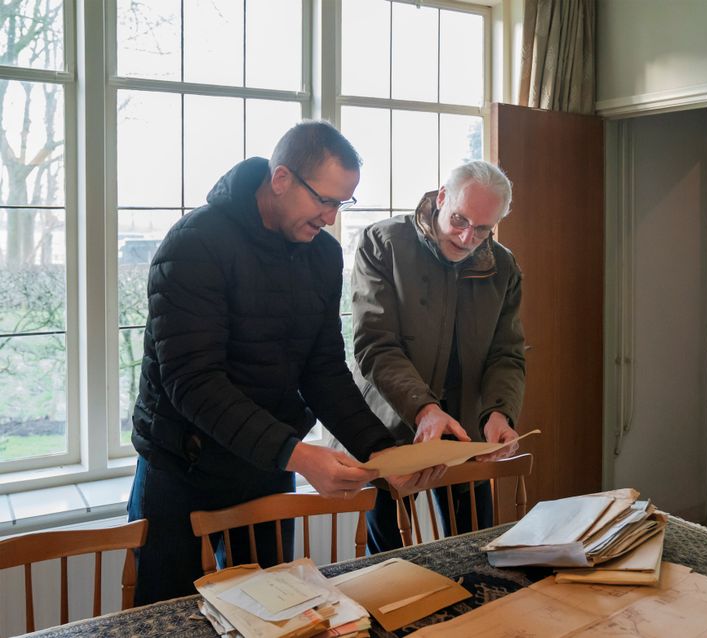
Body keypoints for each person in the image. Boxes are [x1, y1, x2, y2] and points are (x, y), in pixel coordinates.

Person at [127, 121, 442, 605]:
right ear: (280, 179)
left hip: (265, 464)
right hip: (180, 467)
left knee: (278, 615)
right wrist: (298, 454)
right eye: (324, 200)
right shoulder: (195, 244)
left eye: (342, 204)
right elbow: (193, 383)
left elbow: (322, 369)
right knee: (167, 619)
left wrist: (380, 453)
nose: (331, 217)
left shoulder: (321, 256)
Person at [348, 160, 526, 553]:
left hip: (467, 434)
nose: (466, 238)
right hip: (394, 425)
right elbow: (375, 345)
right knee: (392, 561)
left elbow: (506, 354)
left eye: (483, 229)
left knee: (475, 550)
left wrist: (499, 411)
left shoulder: (503, 266)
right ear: (441, 198)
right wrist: (423, 408)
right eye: (460, 219)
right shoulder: (384, 243)